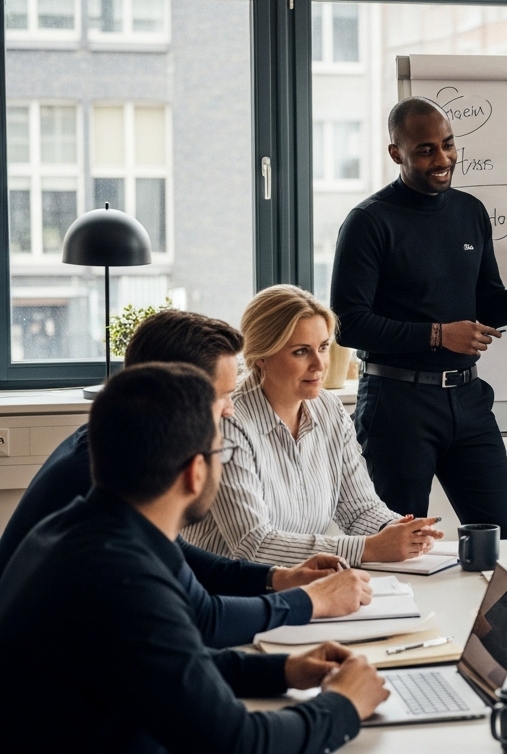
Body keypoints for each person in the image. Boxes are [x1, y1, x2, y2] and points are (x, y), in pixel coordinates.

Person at [0, 363, 389, 752]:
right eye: (224, 451)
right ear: (195, 473)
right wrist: (345, 704)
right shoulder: (125, 579)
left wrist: (283, 669)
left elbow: (175, 666)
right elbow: (240, 743)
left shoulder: (81, 528)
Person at [0, 309, 370, 647]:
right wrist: (311, 601)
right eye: (222, 394)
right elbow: (204, 618)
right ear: (173, 391)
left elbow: (176, 554)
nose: (231, 408)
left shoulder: (118, 447)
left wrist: (276, 577)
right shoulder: (99, 474)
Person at [330, 97, 507, 537]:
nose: (443, 159)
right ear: (397, 154)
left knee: (504, 542)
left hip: (468, 402)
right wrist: (437, 335)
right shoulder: (369, 222)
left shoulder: (469, 212)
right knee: (399, 549)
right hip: (397, 406)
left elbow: (485, 305)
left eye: (448, 145)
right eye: (426, 149)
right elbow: (347, 324)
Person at [185, 286, 444, 566]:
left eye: (323, 347)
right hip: (226, 592)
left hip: (302, 583)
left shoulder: (330, 409)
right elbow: (253, 545)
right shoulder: (228, 421)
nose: (319, 364)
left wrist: (400, 531)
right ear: (261, 356)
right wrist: (369, 548)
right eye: (300, 352)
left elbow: (359, 510)